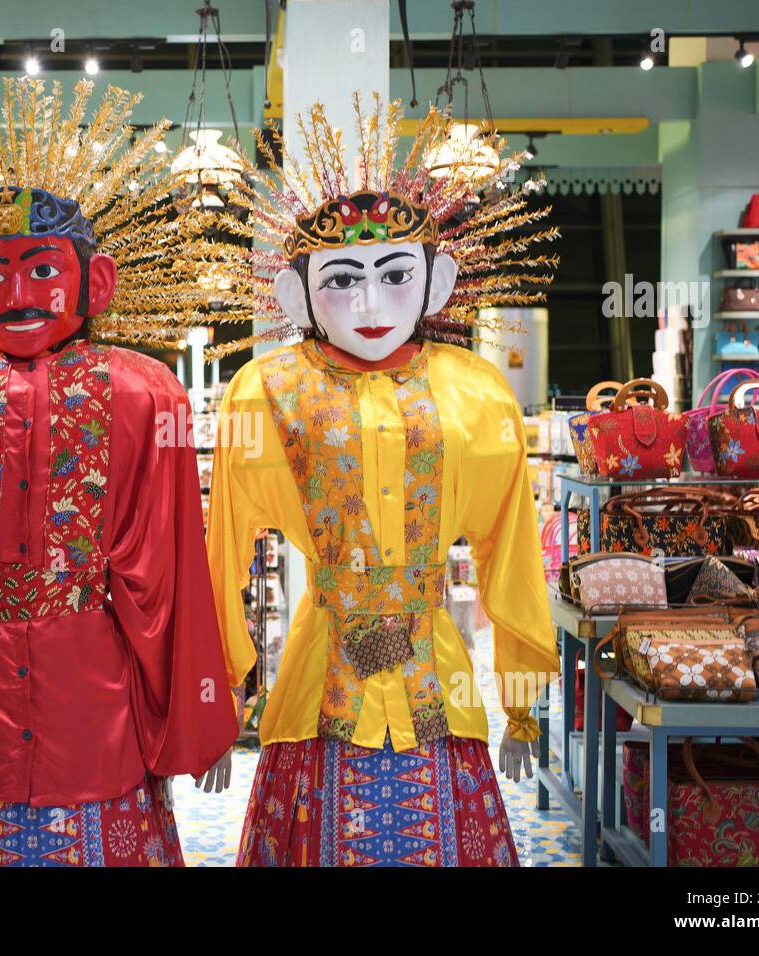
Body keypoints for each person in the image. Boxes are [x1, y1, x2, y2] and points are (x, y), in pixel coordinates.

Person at [0, 78, 243, 867]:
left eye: (42, 269)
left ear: (95, 283)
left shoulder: (144, 392)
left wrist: (194, 709)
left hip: (96, 710)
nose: (18, 294)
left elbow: (168, 576)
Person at [206, 97, 561, 866]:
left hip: (439, 674)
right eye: (341, 281)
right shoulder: (264, 390)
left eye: (394, 275)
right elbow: (223, 555)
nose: (369, 305)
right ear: (298, 294)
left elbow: (512, 553)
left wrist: (523, 702)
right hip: (318, 675)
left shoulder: (475, 390)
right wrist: (219, 695)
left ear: (437, 283)